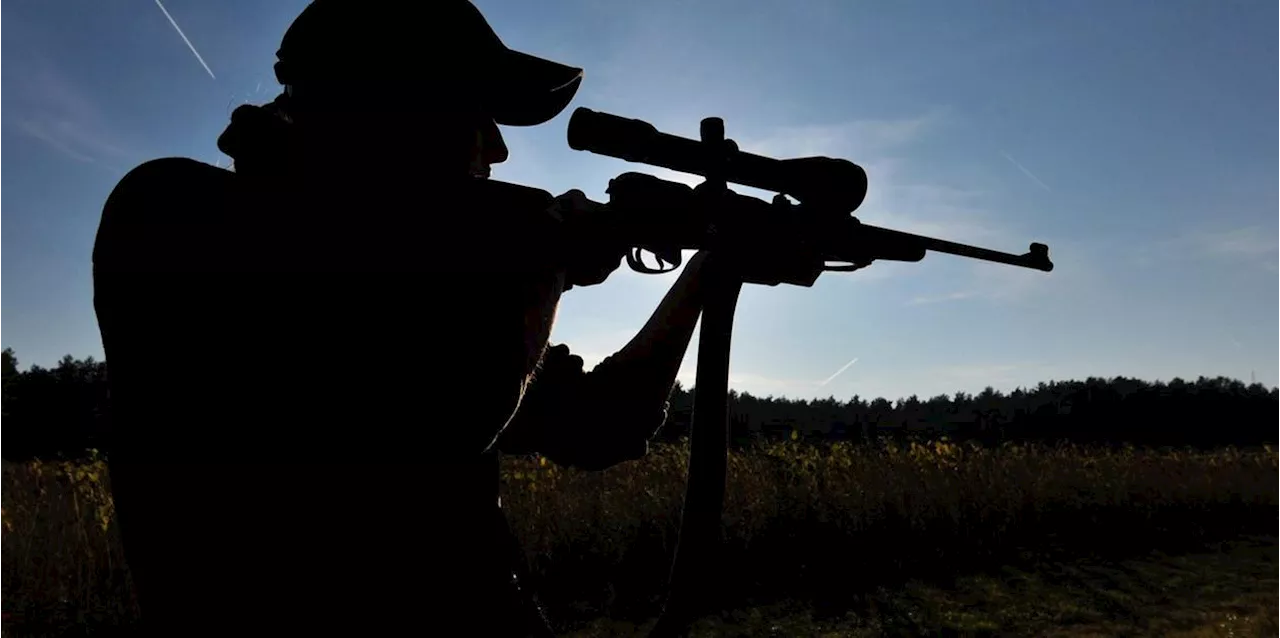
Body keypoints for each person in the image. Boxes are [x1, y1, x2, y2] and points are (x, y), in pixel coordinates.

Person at [92, 2, 712, 635]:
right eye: (478, 114)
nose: (496, 149)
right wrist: (546, 260)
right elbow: (434, 422)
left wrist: (708, 271)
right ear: (395, 111)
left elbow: (605, 424)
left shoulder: (422, 290)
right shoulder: (172, 212)